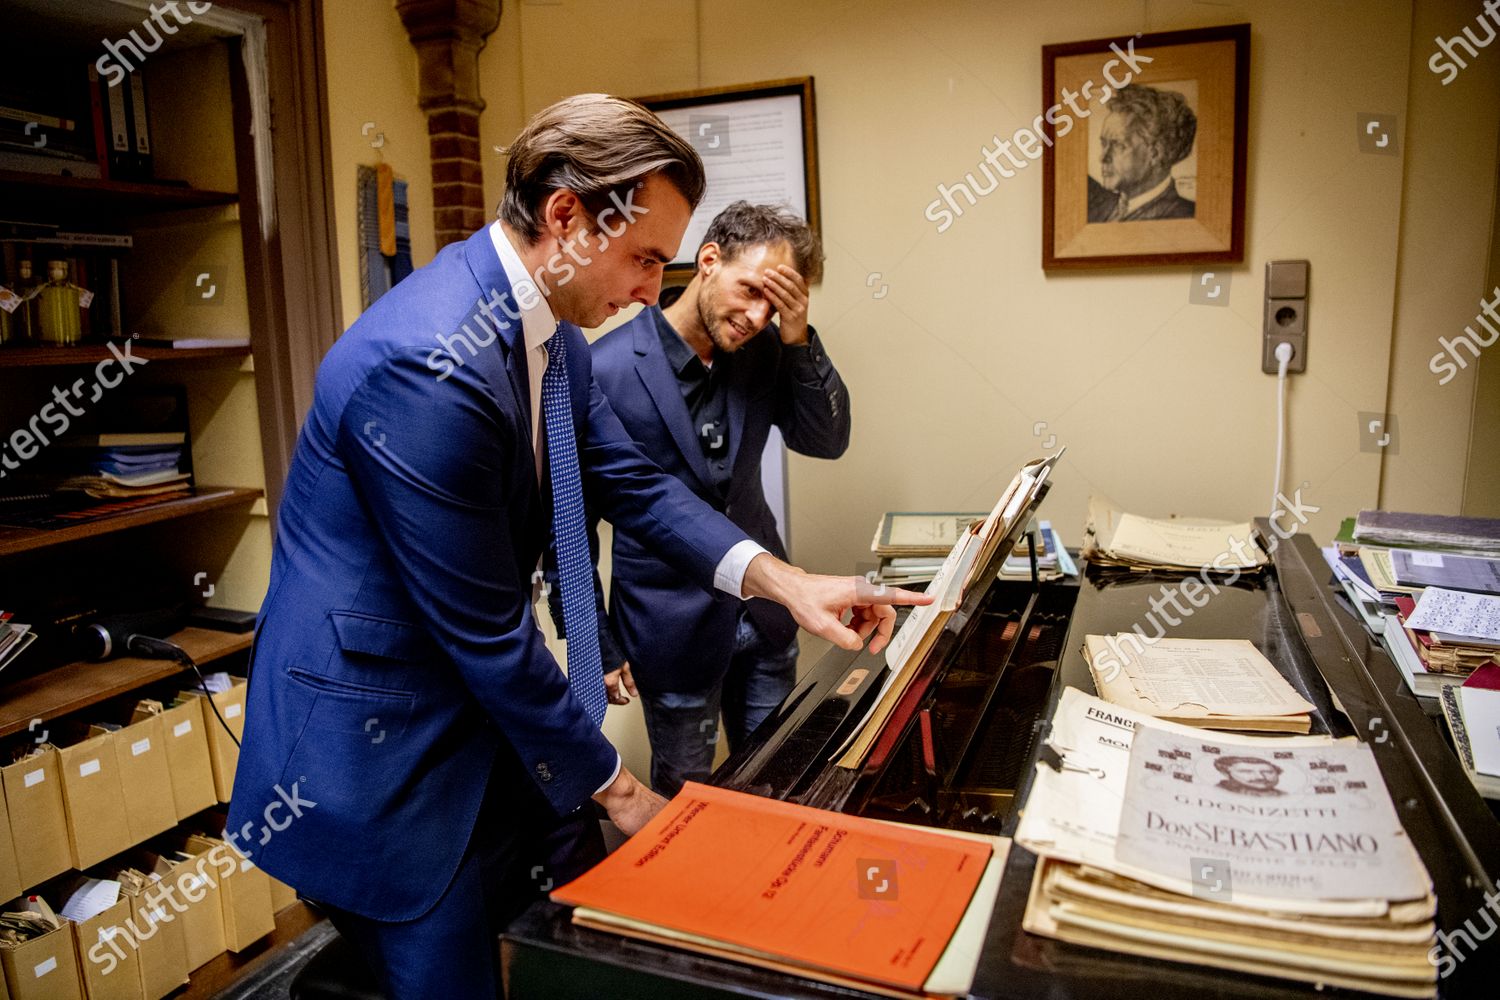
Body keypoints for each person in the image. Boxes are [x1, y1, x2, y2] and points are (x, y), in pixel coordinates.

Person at [225, 94, 927, 999]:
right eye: (642, 259)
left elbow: (633, 484)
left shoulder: (554, 334)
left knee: (548, 952)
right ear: (564, 216)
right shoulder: (427, 364)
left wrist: (784, 584)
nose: (649, 290)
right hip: (384, 757)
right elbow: (484, 631)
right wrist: (626, 794)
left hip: (491, 729)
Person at [580, 201, 848, 796]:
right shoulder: (604, 370)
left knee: (780, 786)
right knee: (686, 800)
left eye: (773, 304)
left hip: (768, 618)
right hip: (670, 630)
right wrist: (597, 640)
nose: (757, 315)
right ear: (708, 261)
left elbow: (826, 441)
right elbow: (570, 529)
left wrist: (798, 336)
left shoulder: (767, 352)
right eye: (750, 290)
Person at [1088, 84, 1198, 222]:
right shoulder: (1102, 207)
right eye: (1104, 143)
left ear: (1155, 153)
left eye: (1118, 146)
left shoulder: (1182, 215)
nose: (1103, 157)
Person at [1213, 756, 1286, 797]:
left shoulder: (1283, 795)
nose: (1260, 777)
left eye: (1268, 772)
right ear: (1226, 773)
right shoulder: (1217, 792)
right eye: (1247, 772)